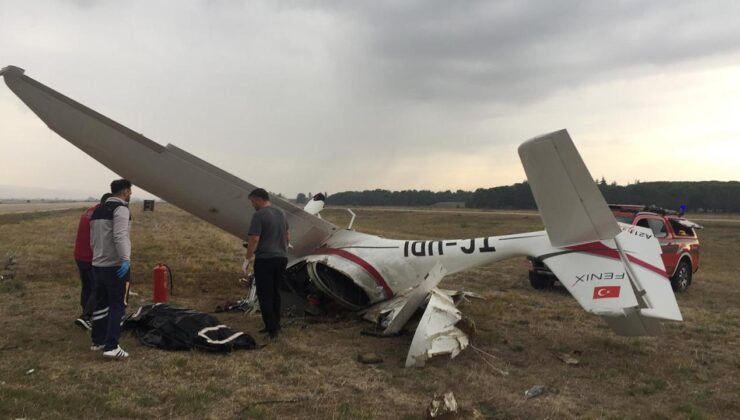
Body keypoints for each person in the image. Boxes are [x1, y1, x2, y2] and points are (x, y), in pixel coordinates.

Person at [89, 179, 133, 359]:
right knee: (117, 305)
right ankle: (111, 346)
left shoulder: (98, 210)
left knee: (101, 303)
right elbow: (120, 235)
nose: (130, 194)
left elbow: (93, 239)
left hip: (97, 264)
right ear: (125, 191)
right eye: (130, 191)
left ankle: (97, 341)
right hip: (115, 266)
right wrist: (125, 259)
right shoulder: (121, 209)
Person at [245, 188, 289, 339]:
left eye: (252, 201)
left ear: (258, 199)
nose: (252, 205)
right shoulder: (281, 213)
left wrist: (247, 258)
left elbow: (254, 239)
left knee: (265, 294)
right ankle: (275, 324)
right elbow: (287, 236)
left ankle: (272, 331)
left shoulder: (258, 215)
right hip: (282, 258)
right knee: (276, 293)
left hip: (265, 260)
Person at [73, 193, 112, 330]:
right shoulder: (101, 216)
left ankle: (85, 313)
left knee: (87, 287)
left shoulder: (89, 211)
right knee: (98, 287)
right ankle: (86, 317)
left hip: (79, 255)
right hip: (91, 257)